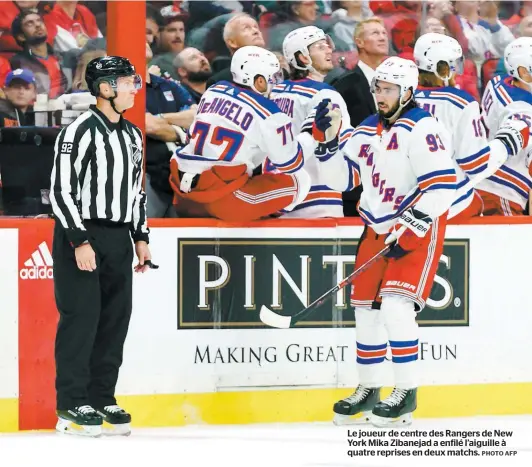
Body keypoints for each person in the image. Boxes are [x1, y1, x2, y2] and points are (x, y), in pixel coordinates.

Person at [309, 57, 528, 426]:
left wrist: (412, 224)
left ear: (407, 91)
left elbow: (441, 187)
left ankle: (406, 392)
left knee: (396, 308)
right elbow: (343, 180)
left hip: (418, 229)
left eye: (388, 89)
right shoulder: (366, 128)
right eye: (377, 87)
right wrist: (327, 144)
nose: (379, 95)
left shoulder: (422, 128)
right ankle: (368, 388)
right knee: (366, 311)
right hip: (376, 227)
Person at [49, 56, 154, 437]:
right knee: (81, 319)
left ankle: (101, 395)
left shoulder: (131, 134)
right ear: (105, 87)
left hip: (118, 237)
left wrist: (141, 237)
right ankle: (71, 404)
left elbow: (135, 192)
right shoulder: (77, 131)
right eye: (127, 83)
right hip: (81, 233)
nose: (133, 89)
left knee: (114, 320)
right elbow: (61, 191)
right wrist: (79, 240)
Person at [169, 46, 311, 221]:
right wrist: (311, 135)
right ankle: (265, 217)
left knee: (253, 154)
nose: (276, 82)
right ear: (259, 81)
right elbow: (290, 162)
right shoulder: (269, 113)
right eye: (273, 77)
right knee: (300, 179)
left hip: (184, 197)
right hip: (224, 201)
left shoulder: (212, 91)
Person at [413, 33, 526, 220]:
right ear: (441, 68)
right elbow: (476, 164)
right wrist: (505, 144)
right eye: (453, 64)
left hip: (406, 203)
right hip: (449, 204)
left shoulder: (402, 99)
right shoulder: (460, 103)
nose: (457, 71)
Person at [268, 26, 349, 217]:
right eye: (320, 47)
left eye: (327, 45)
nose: (329, 50)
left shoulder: (275, 92)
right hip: (319, 200)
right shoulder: (325, 94)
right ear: (303, 57)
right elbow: (344, 144)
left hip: (278, 196)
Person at [476, 37, 532, 215]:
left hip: (481, 183)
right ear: (523, 72)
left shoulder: (498, 82)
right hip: (501, 193)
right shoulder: (521, 112)